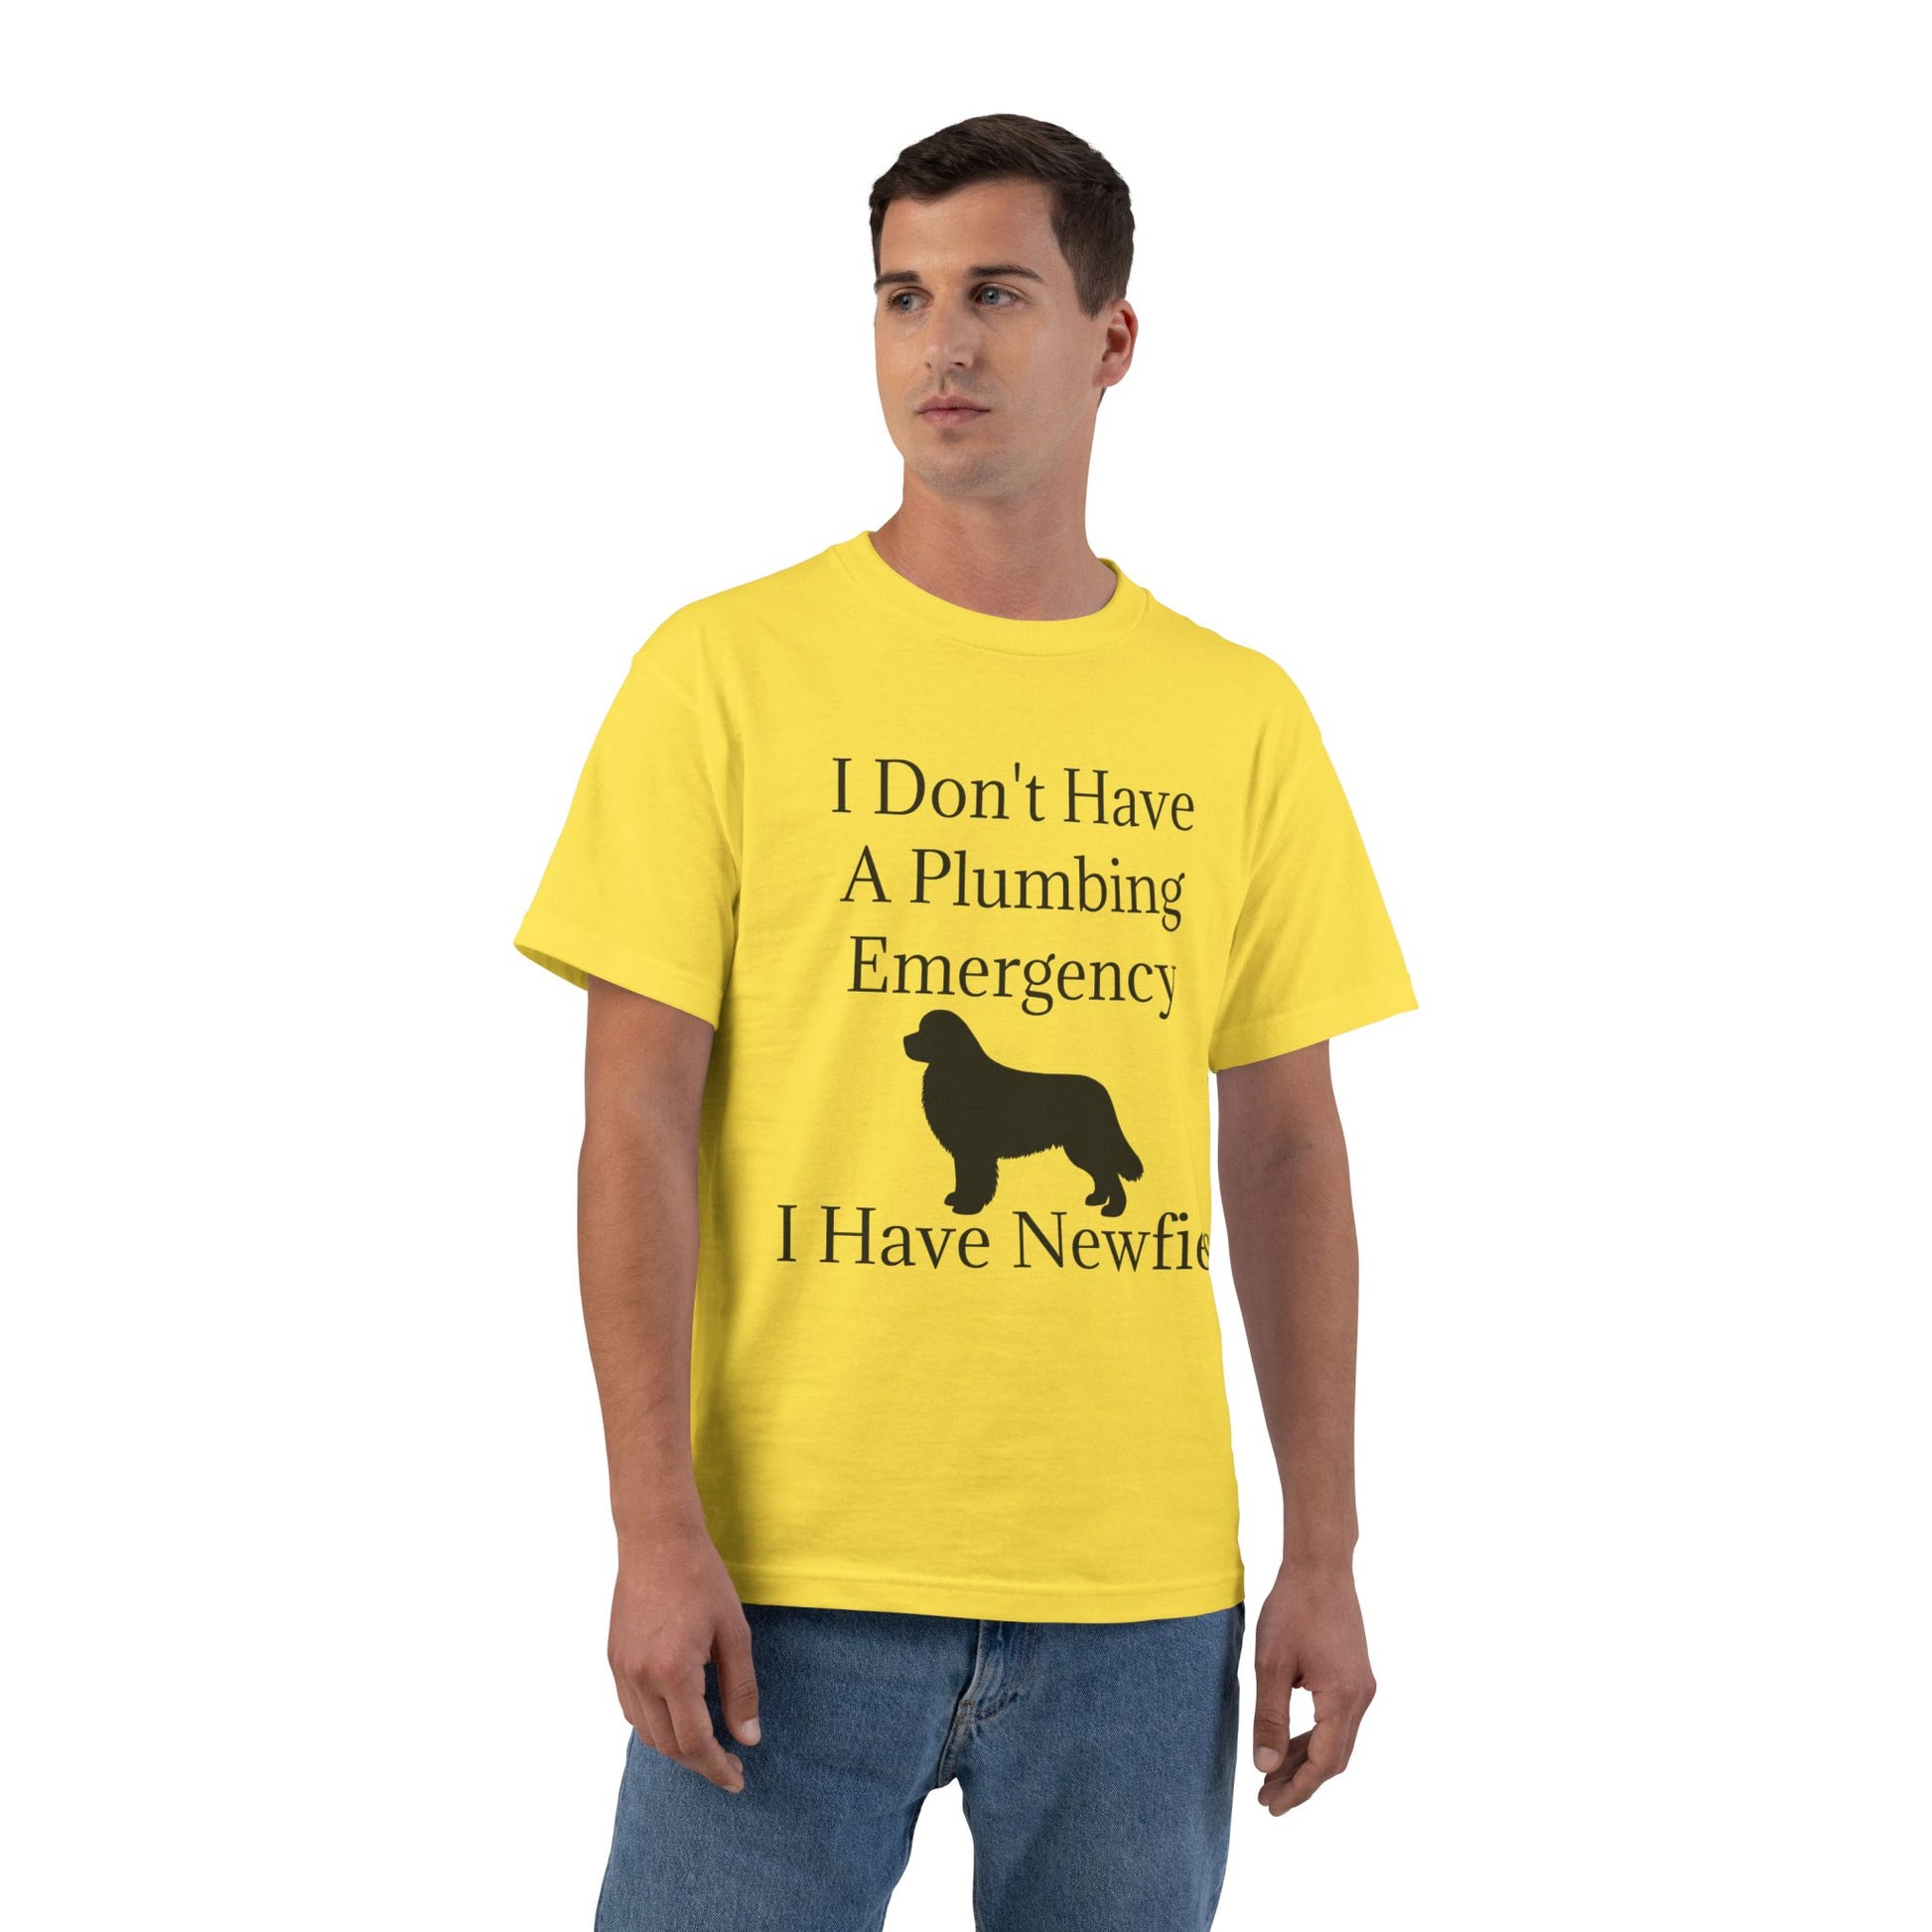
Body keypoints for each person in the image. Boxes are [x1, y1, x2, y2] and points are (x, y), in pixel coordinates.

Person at [514, 111, 1419, 1932]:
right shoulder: (720, 676)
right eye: (902, 296)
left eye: (996, 293)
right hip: (781, 1585)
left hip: (1138, 1601)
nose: (941, 343)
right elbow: (633, 1127)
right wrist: (649, 1524)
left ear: (1110, 337)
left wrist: (1319, 1546)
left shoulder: (1236, 717)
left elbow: (1286, 1149)